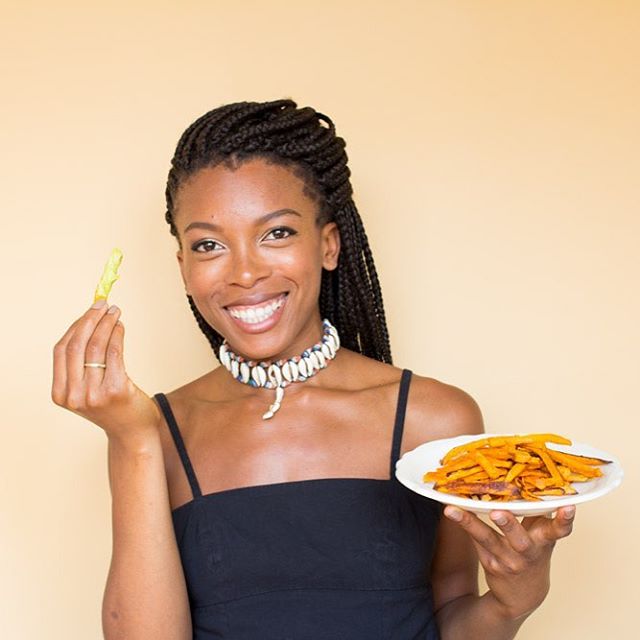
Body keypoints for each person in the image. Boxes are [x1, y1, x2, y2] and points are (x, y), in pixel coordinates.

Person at [52, 99, 576, 640]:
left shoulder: (432, 417)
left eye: (276, 233)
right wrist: (134, 439)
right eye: (208, 244)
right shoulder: (152, 429)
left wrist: (513, 603)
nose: (245, 271)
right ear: (183, 267)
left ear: (327, 245)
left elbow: (453, 619)